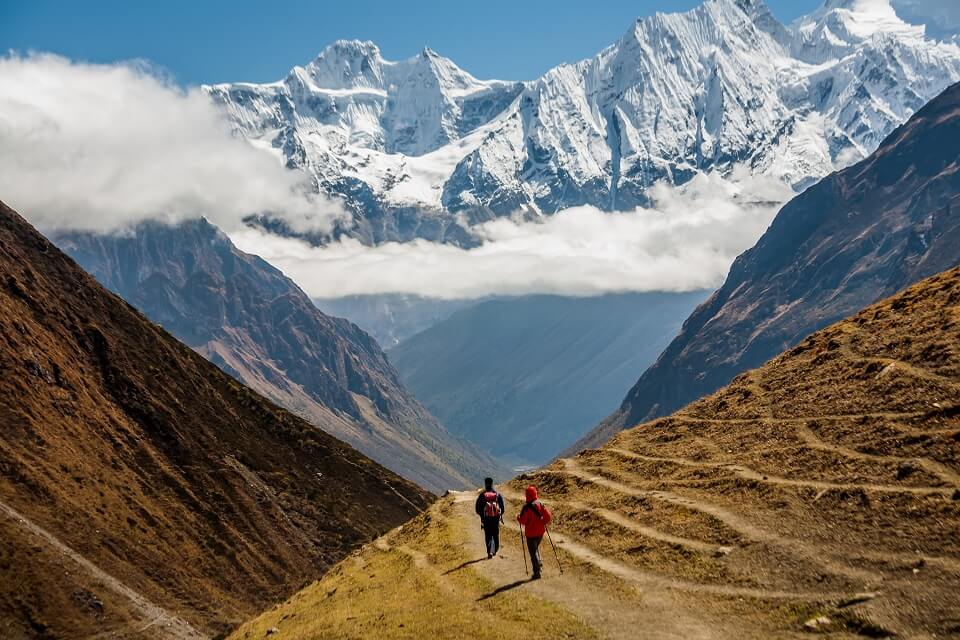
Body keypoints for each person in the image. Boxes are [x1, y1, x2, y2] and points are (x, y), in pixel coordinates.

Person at [517, 484, 552, 579]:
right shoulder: (540, 504)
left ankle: (537, 572)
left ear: (527, 495)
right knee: (535, 549)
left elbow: (523, 521)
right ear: (535, 493)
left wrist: (518, 518)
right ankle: (539, 563)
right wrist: (543, 522)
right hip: (540, 532)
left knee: (533, 552)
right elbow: (548, 517)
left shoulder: (526, 508)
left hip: (531, 534)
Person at [475, 477, 505, 559]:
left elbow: (477, 509)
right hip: (495, 519)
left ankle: (489, 551)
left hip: (486, 519)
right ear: (492, 484)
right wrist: (498, 514)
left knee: (488, 535)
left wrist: (482, 515)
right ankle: (495, 550)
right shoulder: (497, 495)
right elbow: (502, 508)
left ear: (485, 484)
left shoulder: (482, 496)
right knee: (495, 534)